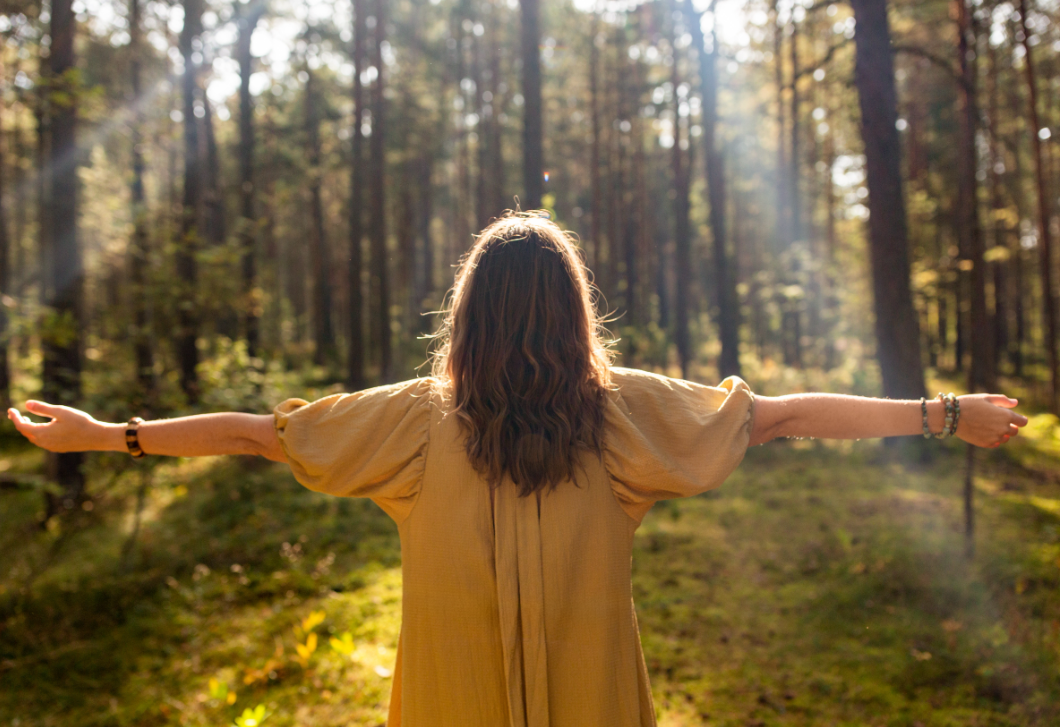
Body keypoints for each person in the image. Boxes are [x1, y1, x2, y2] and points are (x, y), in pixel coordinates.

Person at [9, 213, 1027, 727]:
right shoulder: (626, 413)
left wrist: (108, 434)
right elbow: (788, 413)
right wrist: (944, 413)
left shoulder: (412, 425)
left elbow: (252, 434)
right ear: (574, 311)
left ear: (468, 314)